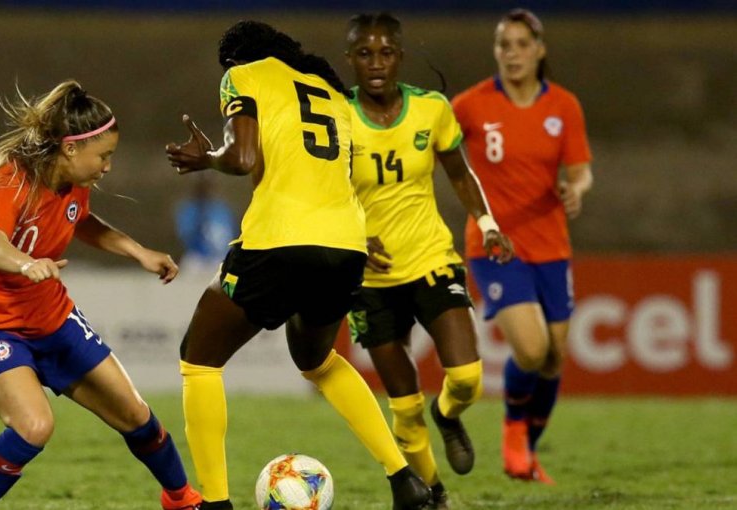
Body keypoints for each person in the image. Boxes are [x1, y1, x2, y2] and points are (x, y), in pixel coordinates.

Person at [165, 20, 432, 510]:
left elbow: (243, 157)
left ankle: (217, 504)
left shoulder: (244, 74)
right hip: (346, 244)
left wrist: (210, 158)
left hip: (280, 239)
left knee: (198, 359)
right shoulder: (333, 94)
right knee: (319, 361)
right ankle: (404, 480)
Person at [0, 80, 202, 510]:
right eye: (103, 156)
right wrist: (26, 263)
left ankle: (181, 499)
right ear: (69, 149)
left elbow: (80, 220)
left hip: (52, 320)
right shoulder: (9, 180)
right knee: (34, 426)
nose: (107, 166)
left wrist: (137, 251)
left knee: (136, 416)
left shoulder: (71, 182)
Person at [343, 13, 514, 509]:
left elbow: (460, 174)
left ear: (400, 56)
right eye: (365, 54)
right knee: (404, 407)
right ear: (350, 59)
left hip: (430, 258)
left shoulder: (431, 110)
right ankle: (433, 495)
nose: (376, 63)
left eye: (386, 52)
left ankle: (449, 415)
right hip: (369, 279)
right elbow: (321, 189)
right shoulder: (336, 115)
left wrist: (487, 224)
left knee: (466, 379)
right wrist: (352, 236)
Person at [452, 8, 594, 484]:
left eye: (520, 44)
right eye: (503, 44)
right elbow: (435, 146)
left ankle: (528, 453)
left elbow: (580, 170)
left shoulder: (564, 107)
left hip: (551, 244)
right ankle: (514, 431)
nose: (511, 54)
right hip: (495, 244)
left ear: (539, 49)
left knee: (555, 354)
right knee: (531, 351)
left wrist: (578, 189)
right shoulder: (471, 105)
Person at [174, 174, 237, 274]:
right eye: (201, 187)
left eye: (208, 186)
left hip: (219, 257)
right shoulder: (189, 209)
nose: (205, 190)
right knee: (188, 268)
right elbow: (186, 236)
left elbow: (230, 236)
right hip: (197, 258)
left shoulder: (221, 209)